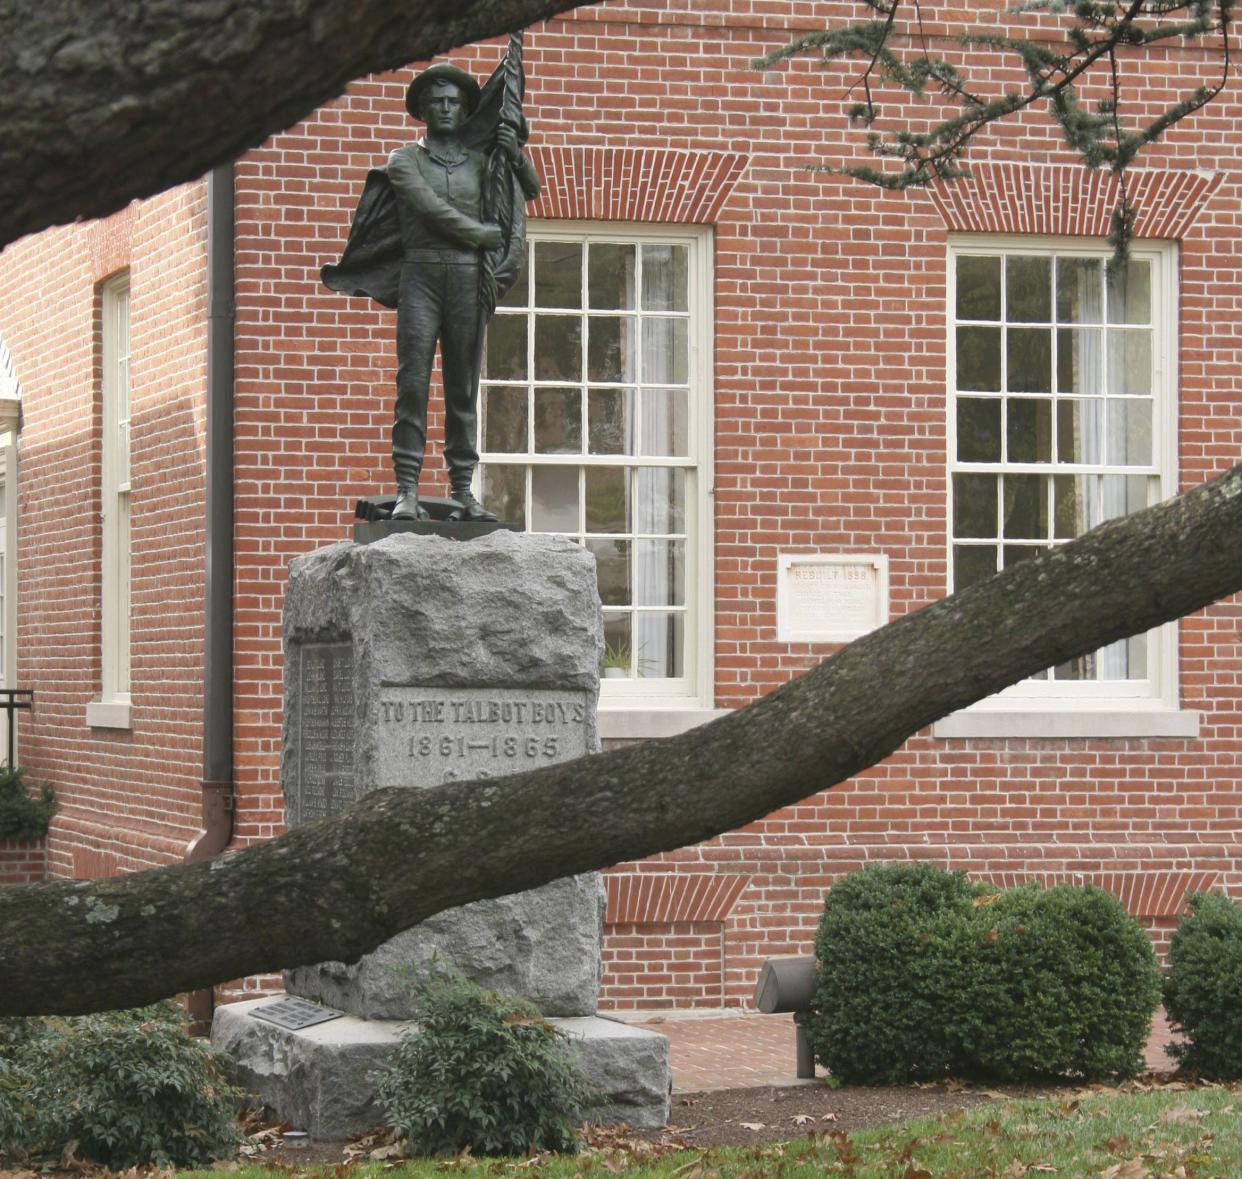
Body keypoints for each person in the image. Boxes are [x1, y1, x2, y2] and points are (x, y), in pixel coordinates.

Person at [323, 52, 540, 521]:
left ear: (465, 110)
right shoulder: (404, 161)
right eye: (436, 101)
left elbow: (531, 188)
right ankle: (407, 489)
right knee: (413, 385)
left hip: (467, 280)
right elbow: (425, 209)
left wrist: (515, 152)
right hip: (421, 277)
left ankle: (463, 490)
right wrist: (478, 234)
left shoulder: (483, 163)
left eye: (454, 102)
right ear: (422, 110)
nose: (445, 108)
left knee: (462, 388)